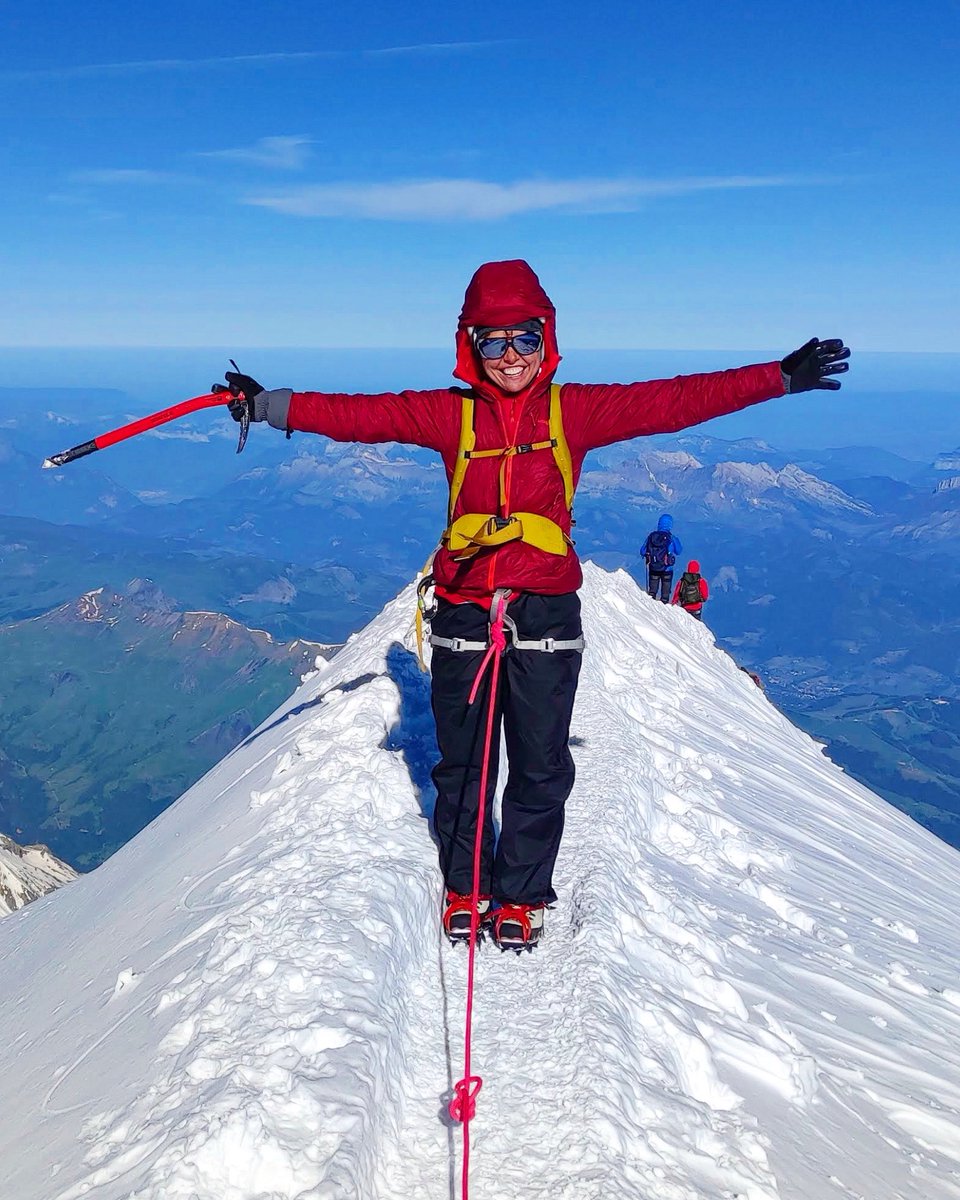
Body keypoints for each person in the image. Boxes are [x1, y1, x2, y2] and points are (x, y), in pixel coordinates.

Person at [223, 259, 850, 950]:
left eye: (524, 338)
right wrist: (267, 403)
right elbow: (357, 416)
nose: (512, 357)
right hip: (466, 605)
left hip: (546, 608)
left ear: (544, 335)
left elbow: (672, 400)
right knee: (465, 763)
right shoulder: (448, 413)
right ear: (471, 347)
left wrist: (777, 378)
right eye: (493, 342)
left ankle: (520, 894)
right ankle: (468, 883)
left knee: (539, 760)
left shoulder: (573, 411)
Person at [641, 514, 682, 602]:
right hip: (667, 569)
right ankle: (663, 611)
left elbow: (642, 551)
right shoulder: (671, 538)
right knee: (665, 596)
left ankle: (649, 609)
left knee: (652, 593)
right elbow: (679, 551)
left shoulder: (651, 537)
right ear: (670, 525)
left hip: (653, 568)